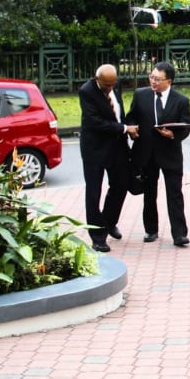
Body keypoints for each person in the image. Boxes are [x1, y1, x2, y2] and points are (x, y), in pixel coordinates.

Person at [126, 61, 190, 247]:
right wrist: (132, 129)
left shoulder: (181, 100)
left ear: (169, 81)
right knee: (149, 193)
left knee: (174, 193)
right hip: (146, 153)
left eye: (157, 79)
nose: (153, 81)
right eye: (151, 77)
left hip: (170, 153)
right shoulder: (141, 95)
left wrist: (173, 135)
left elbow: (186, 127)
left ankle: (179, 234)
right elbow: (131, 117)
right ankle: (151, 229)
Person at [78, 64, 138, 253]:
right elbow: (95, 122)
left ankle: (108, 222)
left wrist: (129, 127)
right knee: (94, 192)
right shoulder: (86, 91)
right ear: (97, 80)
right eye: (106, 85)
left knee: (121, 185)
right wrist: (124, 129)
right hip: (95, 148)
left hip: (117, 146)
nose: (110, 88)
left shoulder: (114, 85)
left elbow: (118, 113)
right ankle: (97, 237)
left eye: (113, 84)